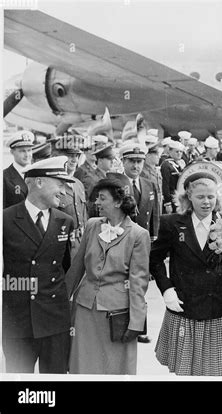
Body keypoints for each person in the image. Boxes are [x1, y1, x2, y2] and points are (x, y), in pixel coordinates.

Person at [150, 173, 222, 376]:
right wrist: (166, 289)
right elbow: (153, 259)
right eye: (201, 197)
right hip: (184, 306)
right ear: (189, 196)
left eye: (211, 196)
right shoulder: (171, 223)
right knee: (184, 373)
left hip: (216, 310)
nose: (207, 202)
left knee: (213, 373)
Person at [66, 177, 150, 375]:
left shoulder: (138, 235)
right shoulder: (92, 225)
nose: (97, 203)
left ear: (118, 202)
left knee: (114, 367)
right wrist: (62, 301)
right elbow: (77, 267)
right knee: (83, 364)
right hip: (86, 308)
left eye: (102, 198)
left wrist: (137, 322)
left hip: (117, 314)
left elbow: (139, 281)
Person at [3, 157, 75, 373]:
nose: (64, 191)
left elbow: (64, 267)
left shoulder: (65, 221)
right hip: (18, 321)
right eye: (60, 184)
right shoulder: (5, 220)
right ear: (39, 182)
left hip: (55, 321)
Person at [55, 136, 89, 259]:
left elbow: (84, 215)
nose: (74, 159)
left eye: (76, 156)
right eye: (70, 156)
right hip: (60, 244)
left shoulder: (78, 184)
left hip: (80, 243)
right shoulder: (55, 185)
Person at [120, 142, 160, 242]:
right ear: (123, 161)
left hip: (142, 237)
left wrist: (153, 236)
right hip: (122, 238)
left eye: (139, 162)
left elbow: (154, 214)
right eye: (132, 161)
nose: (135, 166)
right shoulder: (116, 184)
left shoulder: (149, 185)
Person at [3, 130, 34, 208]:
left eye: (29, 150)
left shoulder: (37, 173)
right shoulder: (4, 177)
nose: (27, 155)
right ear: (12, 152)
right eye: (22, 151)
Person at [161, 140, 185, 214]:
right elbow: (165, 184)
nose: (179, 154)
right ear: (170, 152)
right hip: (171, 199)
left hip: (180, 197)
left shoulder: (181, 163)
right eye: (176, 151)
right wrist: (167, 203)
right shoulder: (166, 165)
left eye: (181, 152)